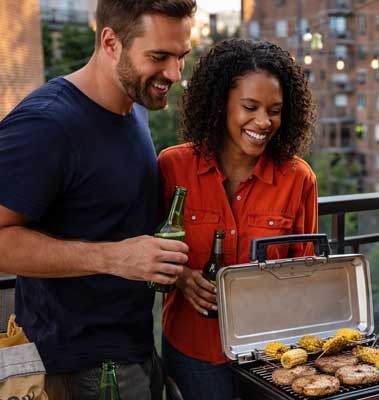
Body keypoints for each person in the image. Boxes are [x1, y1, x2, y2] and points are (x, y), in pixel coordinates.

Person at [0, 1, 195, 399]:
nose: (175, 73)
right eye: (159, 56)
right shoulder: (46, 124)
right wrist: (114, 258)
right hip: (78, 370)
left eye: (181, 56)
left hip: (133, 348)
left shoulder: (132, 106)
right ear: (110, 42)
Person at [158, 39, 318, 400]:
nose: (263, 122)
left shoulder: (299, 179)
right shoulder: (172, 167)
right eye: (250, 106)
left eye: (275, 110)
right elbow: (147, 253)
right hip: (193, 351)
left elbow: (305, 274)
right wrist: (183, 278)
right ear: (221, 103)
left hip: (270, 357)